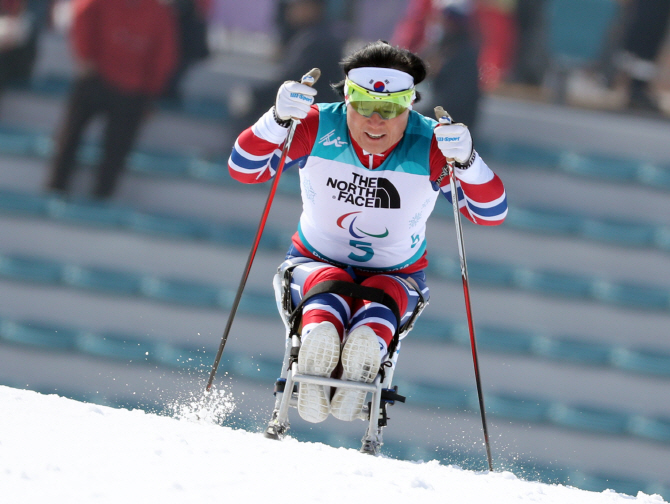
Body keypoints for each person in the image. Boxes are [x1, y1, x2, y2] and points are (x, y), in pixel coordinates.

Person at [228, 41, 507, 424]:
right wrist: (275, 119)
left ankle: (359, 348)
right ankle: (322, 338)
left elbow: (490, 213)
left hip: (397, 274)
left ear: (410, 104)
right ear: (346, 99)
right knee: (330, 281)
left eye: (390, 109)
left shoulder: (431, 144)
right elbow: (244, 169)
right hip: (313, 262)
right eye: (363, 106)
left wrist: (470, 162)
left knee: (382, 293)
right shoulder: (315, 124)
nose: (375, 121)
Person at [46, 0, 178, 199]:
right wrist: (85, 57)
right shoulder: (159, 13)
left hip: (126, 88)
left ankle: (96, 195)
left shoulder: (159, 14)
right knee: (74, 138)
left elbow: (163, 55)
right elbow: (83, 20)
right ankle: (60, 187)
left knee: (111, 148)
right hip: (105, 81)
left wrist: (150, 92)